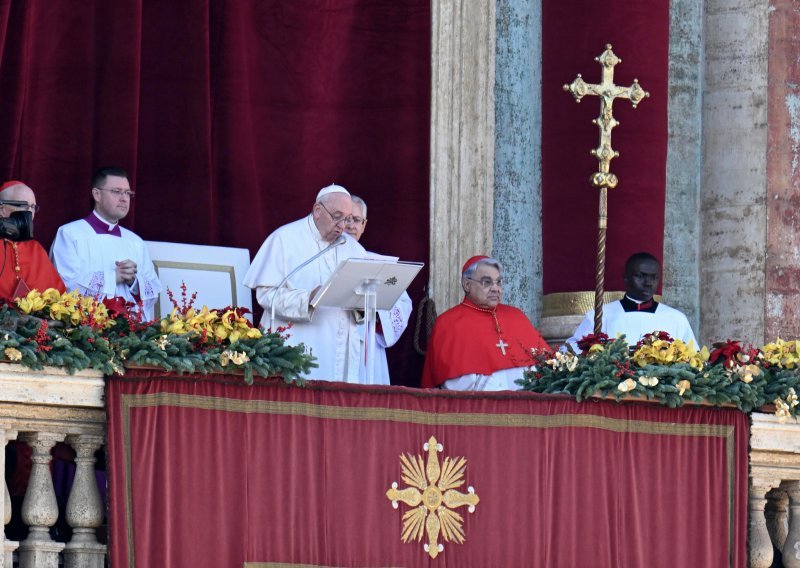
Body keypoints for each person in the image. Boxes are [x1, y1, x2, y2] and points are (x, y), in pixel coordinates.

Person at [244, 184, 370, 383]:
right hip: (297, 347)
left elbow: (362, 302)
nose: (343, 225)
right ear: (317, 211)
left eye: (347, 219)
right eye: (337, 216)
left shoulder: (353, 249)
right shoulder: (285, 239)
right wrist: (308, 300)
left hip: (339, 352)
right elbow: (266, 295)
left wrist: (363, 301)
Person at [421, 255, 550, 390]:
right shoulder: (447, 323)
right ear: (467, 284)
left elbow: (546, 367)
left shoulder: (516, 316)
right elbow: (454, 384)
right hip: (479, 407)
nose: (495, 288)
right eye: (486, 282)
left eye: (498, 282)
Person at [49, 167, 162, 319]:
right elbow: (65, 285)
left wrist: (133, 281)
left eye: (128, 193)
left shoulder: (135, 242)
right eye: (116, 191)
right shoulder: (70, 234)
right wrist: (112, 277)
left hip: (131, 333)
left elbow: (153, 292)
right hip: (86, 331)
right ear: (97, 194)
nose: (124, 198)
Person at [565, 252, 698, 351]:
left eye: (654, 277)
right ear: (626, 278)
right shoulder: (601, 316)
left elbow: (694, 358)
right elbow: (572, 351)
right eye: (641, 276)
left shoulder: (676, 319)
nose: (648, 283)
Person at [345, 195, 412, 384]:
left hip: (368, 347)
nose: (351, 225)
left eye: (356, 220)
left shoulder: (379, 263)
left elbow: (403, 304)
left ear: (364, 225)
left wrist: (377, 317)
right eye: (346, 219)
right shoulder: (321, 262)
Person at [0, 180, 65, 300]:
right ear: (2, 209)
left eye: (33, 207)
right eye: (23, 205)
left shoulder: (36, 249)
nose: (30, 212)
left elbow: (57, 298)